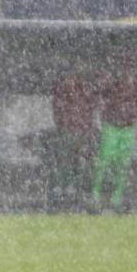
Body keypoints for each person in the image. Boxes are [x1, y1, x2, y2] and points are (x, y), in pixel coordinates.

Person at [91, 52, 137, 212]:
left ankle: (117, 196)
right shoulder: (111, 84)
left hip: (126, 127)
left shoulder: (136, 85)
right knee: (105, 160)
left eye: (129, 68)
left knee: (122, 163)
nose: (126, 71)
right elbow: (100, 95)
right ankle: (96, 192)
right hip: (112, 126)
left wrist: (132, 116)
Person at [44, 71, 99, 209]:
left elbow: (89, 112)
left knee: (77, 163)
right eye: (68, 78)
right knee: (65, 162)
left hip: (79, 134)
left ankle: (73, 190)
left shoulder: (83, 96)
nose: (70, 82)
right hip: (68, 133)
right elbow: (58, 113)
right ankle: (63, 189)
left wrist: (85, 128)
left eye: (72, 78)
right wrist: (65, 125)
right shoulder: (62, 96)